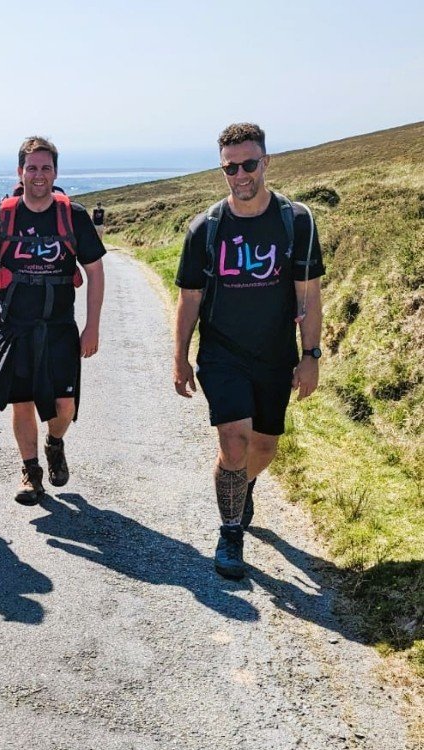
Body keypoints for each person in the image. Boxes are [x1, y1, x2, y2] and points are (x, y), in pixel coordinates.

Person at [173, 122, 324, 580]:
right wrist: (179, 357)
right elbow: (190, 299)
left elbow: (309, 295)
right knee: (234, 440)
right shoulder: (206, 228)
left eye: (249, 164)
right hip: (222, 354)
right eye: (230, 167)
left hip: (275, 354)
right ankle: (230, 532)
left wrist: (310, 355)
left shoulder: (295, 222)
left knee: (264, 446)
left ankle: (243, 486)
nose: (241, 174)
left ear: (266, 162)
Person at [0, 136, 106, 505]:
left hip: (60, 325)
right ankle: (31, 472)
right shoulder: (1, 218)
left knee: (65, 407)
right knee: (22, 402)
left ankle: (54, 442)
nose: (39, 174)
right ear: (20, 172)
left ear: (55, 172)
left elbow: (95, 271)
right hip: (15, 326)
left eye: (46, 167)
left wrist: (92, 325)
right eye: (32, 167)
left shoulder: (73, 216)